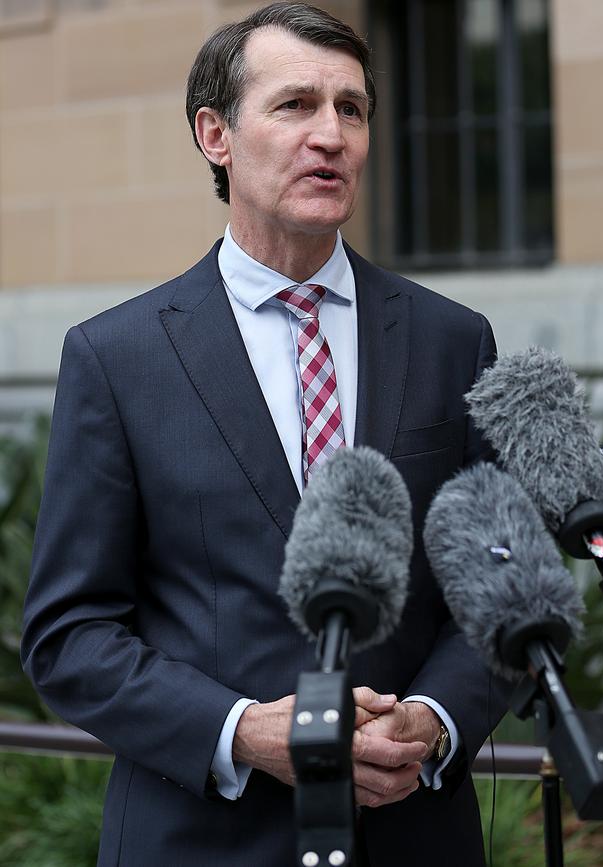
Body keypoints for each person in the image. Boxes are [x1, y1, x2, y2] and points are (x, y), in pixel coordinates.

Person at [22, 4, 507, 865]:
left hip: (411, 838)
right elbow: (71, 634)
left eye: (350, 109)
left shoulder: (452, 340)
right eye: (295, 106)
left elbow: (498, 596)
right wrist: (242, 731)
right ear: (216, 135)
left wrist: (431, 721)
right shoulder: (116, 356)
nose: (332, 135)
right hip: (202, 838)